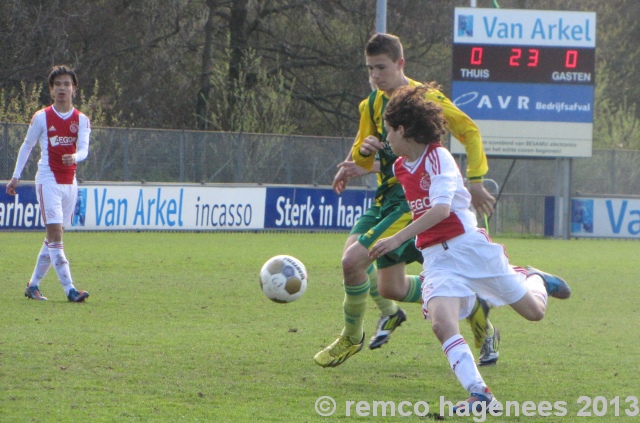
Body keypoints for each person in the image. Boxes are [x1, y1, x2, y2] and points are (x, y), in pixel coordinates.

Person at [368, 84, 571, 411]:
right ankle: (481, 394)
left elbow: (441, 210)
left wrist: (396, 238)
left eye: (389, 130)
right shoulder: (401, 167)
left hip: (470, 249)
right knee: (441, 322)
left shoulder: (440, 158)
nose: (387, 137)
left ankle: (531, 276)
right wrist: (361, 159)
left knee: (535, 312)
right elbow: (384, 162)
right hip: (437, 259)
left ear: (402, 129)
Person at [314, 33, 499, 368]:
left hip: (411, 198)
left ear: (400, 64)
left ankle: (351, 337)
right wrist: (358, 163)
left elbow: (469, 130)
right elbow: (368, 152)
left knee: (352, 261)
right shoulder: (370, 105)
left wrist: (475, 180)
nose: (375, 76)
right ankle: (472, 306)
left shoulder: (423, 99)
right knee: (392, 289)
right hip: (385, 197)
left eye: (381, 68)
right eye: (370, 69)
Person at [6, 65, 91, 303]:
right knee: (56, 236)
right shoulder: (42, 117)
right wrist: (16, 176)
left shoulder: (81, 120)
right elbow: (27, 145)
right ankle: (70, 290)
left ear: (74, 89)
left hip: (69, 182)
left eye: (67, 84)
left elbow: (84, 149)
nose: (62, 88)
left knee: (53, 237)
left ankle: (32, 285)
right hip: (48, 180)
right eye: (58, 85)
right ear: (51, 91)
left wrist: (74, 157)